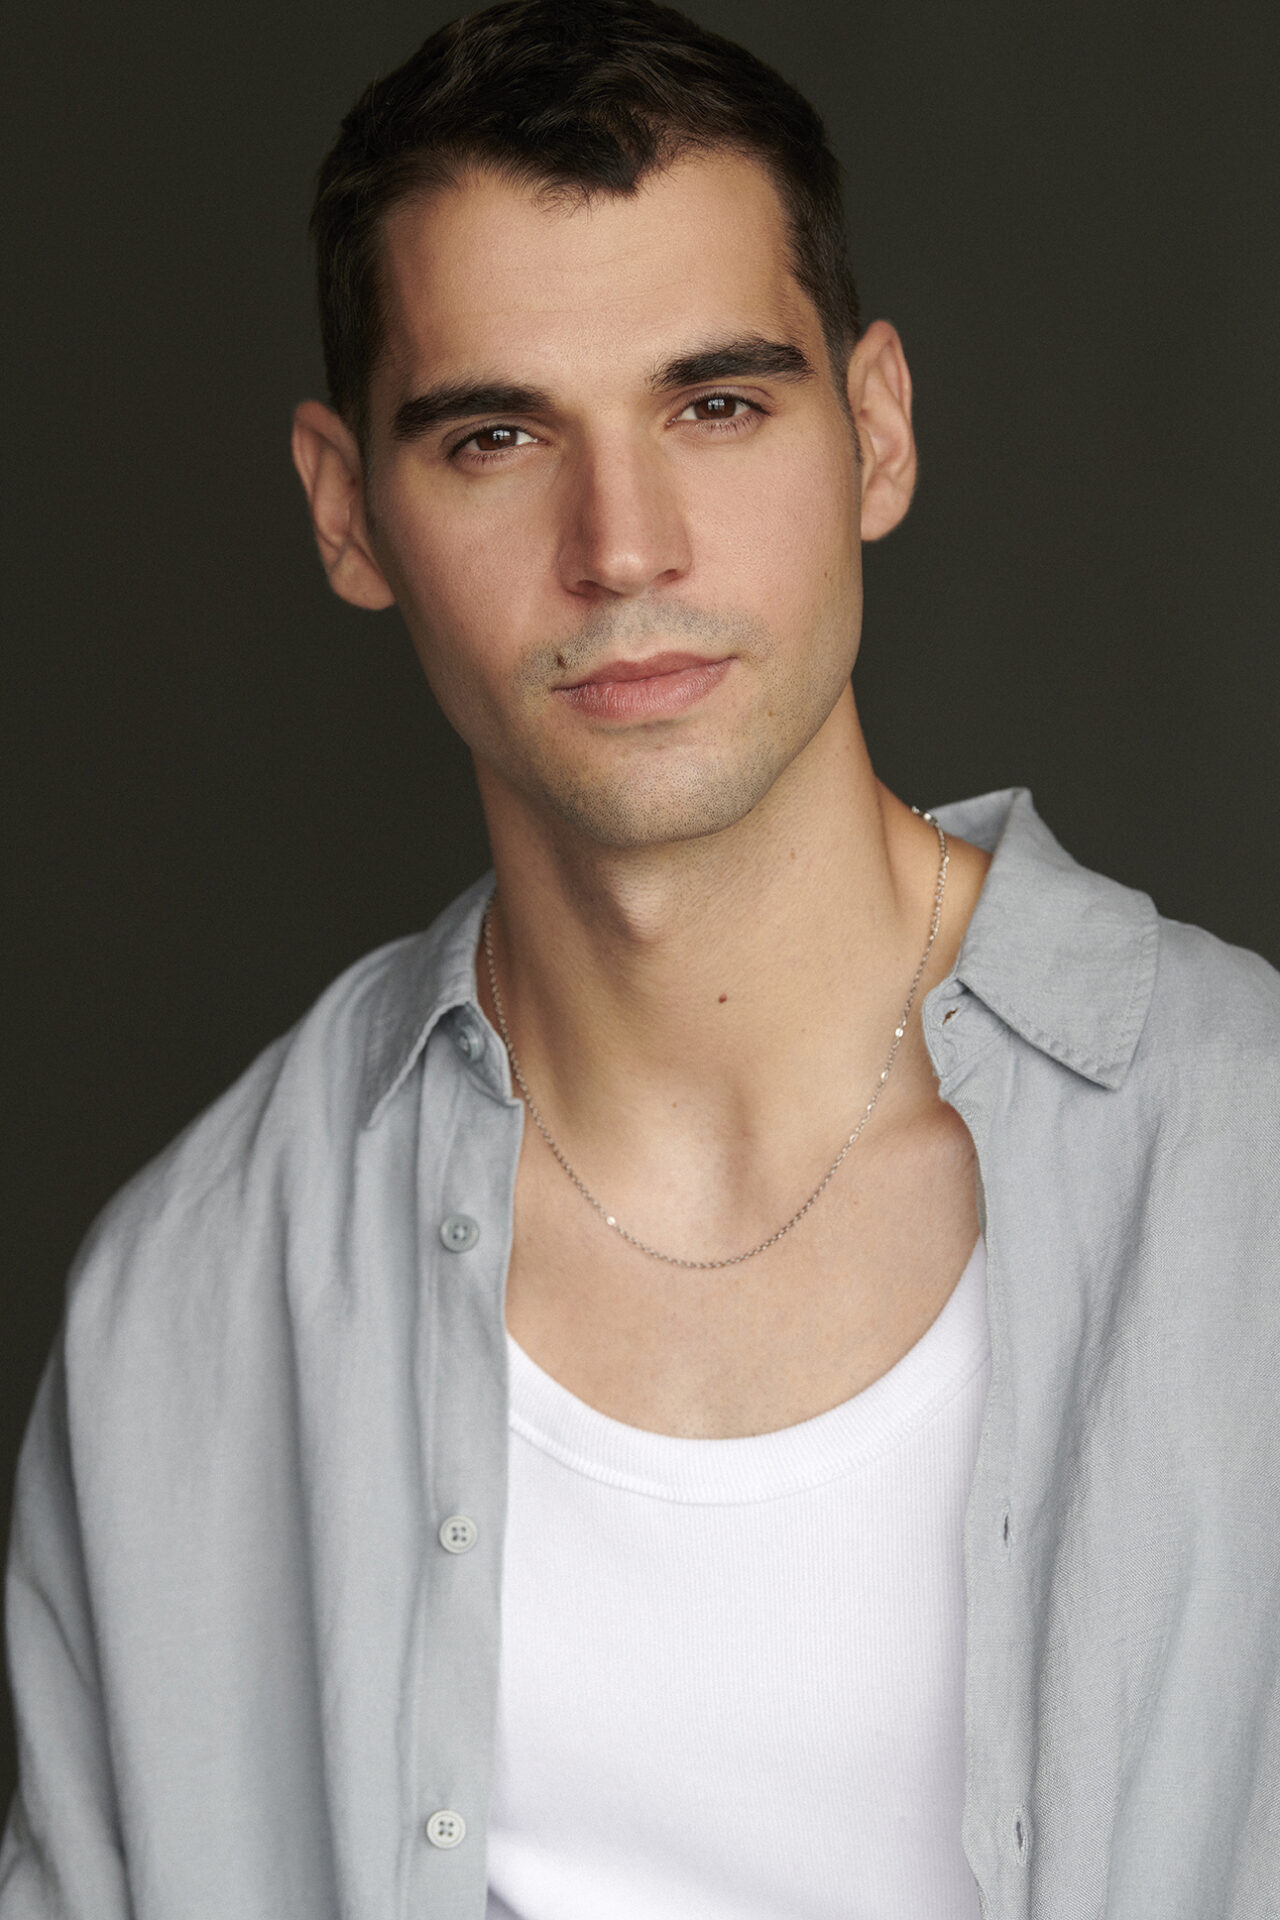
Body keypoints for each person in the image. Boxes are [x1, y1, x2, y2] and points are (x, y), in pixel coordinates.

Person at [3, 0, 1278, 1913]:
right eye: (498, 436)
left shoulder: (1249, 1179)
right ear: (349, 513)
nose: (624, 545)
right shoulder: (190, 1312)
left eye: (718, 405)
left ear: (877, 430)